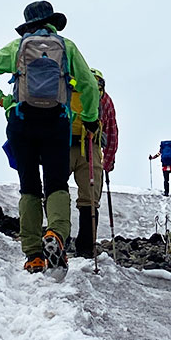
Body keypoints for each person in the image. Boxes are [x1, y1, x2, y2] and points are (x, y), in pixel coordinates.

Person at [0, 1, 100, 273]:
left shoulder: (16, 48)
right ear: (52, 22)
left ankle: (33, 255)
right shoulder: (66, 47)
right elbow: (89, 85)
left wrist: (4, 101)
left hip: (22, 122)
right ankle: (55, 235)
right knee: (56, 183)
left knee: (28, 185)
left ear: (28, 25)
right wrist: (90, 118)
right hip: (56, 122)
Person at [68, 68, 118, 256]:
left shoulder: (68, 88)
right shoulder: (104, 99)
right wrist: (108, 161)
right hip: (91, 147)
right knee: (90, 200)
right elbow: (112, 131)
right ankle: (86, 248)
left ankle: (59, 238)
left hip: (64, 144)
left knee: (56, 190)